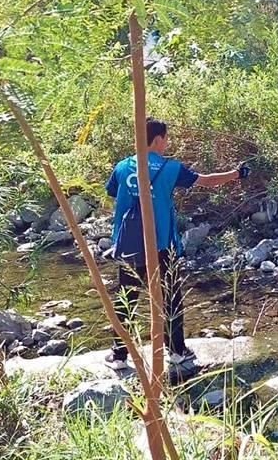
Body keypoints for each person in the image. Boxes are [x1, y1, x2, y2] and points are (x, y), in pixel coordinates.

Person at [104, 118, 249, 370]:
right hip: (161, 243)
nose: (166, 143)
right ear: (159, 139)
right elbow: (206, 180)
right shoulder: (170, 168)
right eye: (166, 138)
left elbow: (112, 192)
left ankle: (119, 356)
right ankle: (177, 351)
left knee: (126, 297)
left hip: (128, 244)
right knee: (170, 297)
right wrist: (236, 174)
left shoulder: (123, 165)